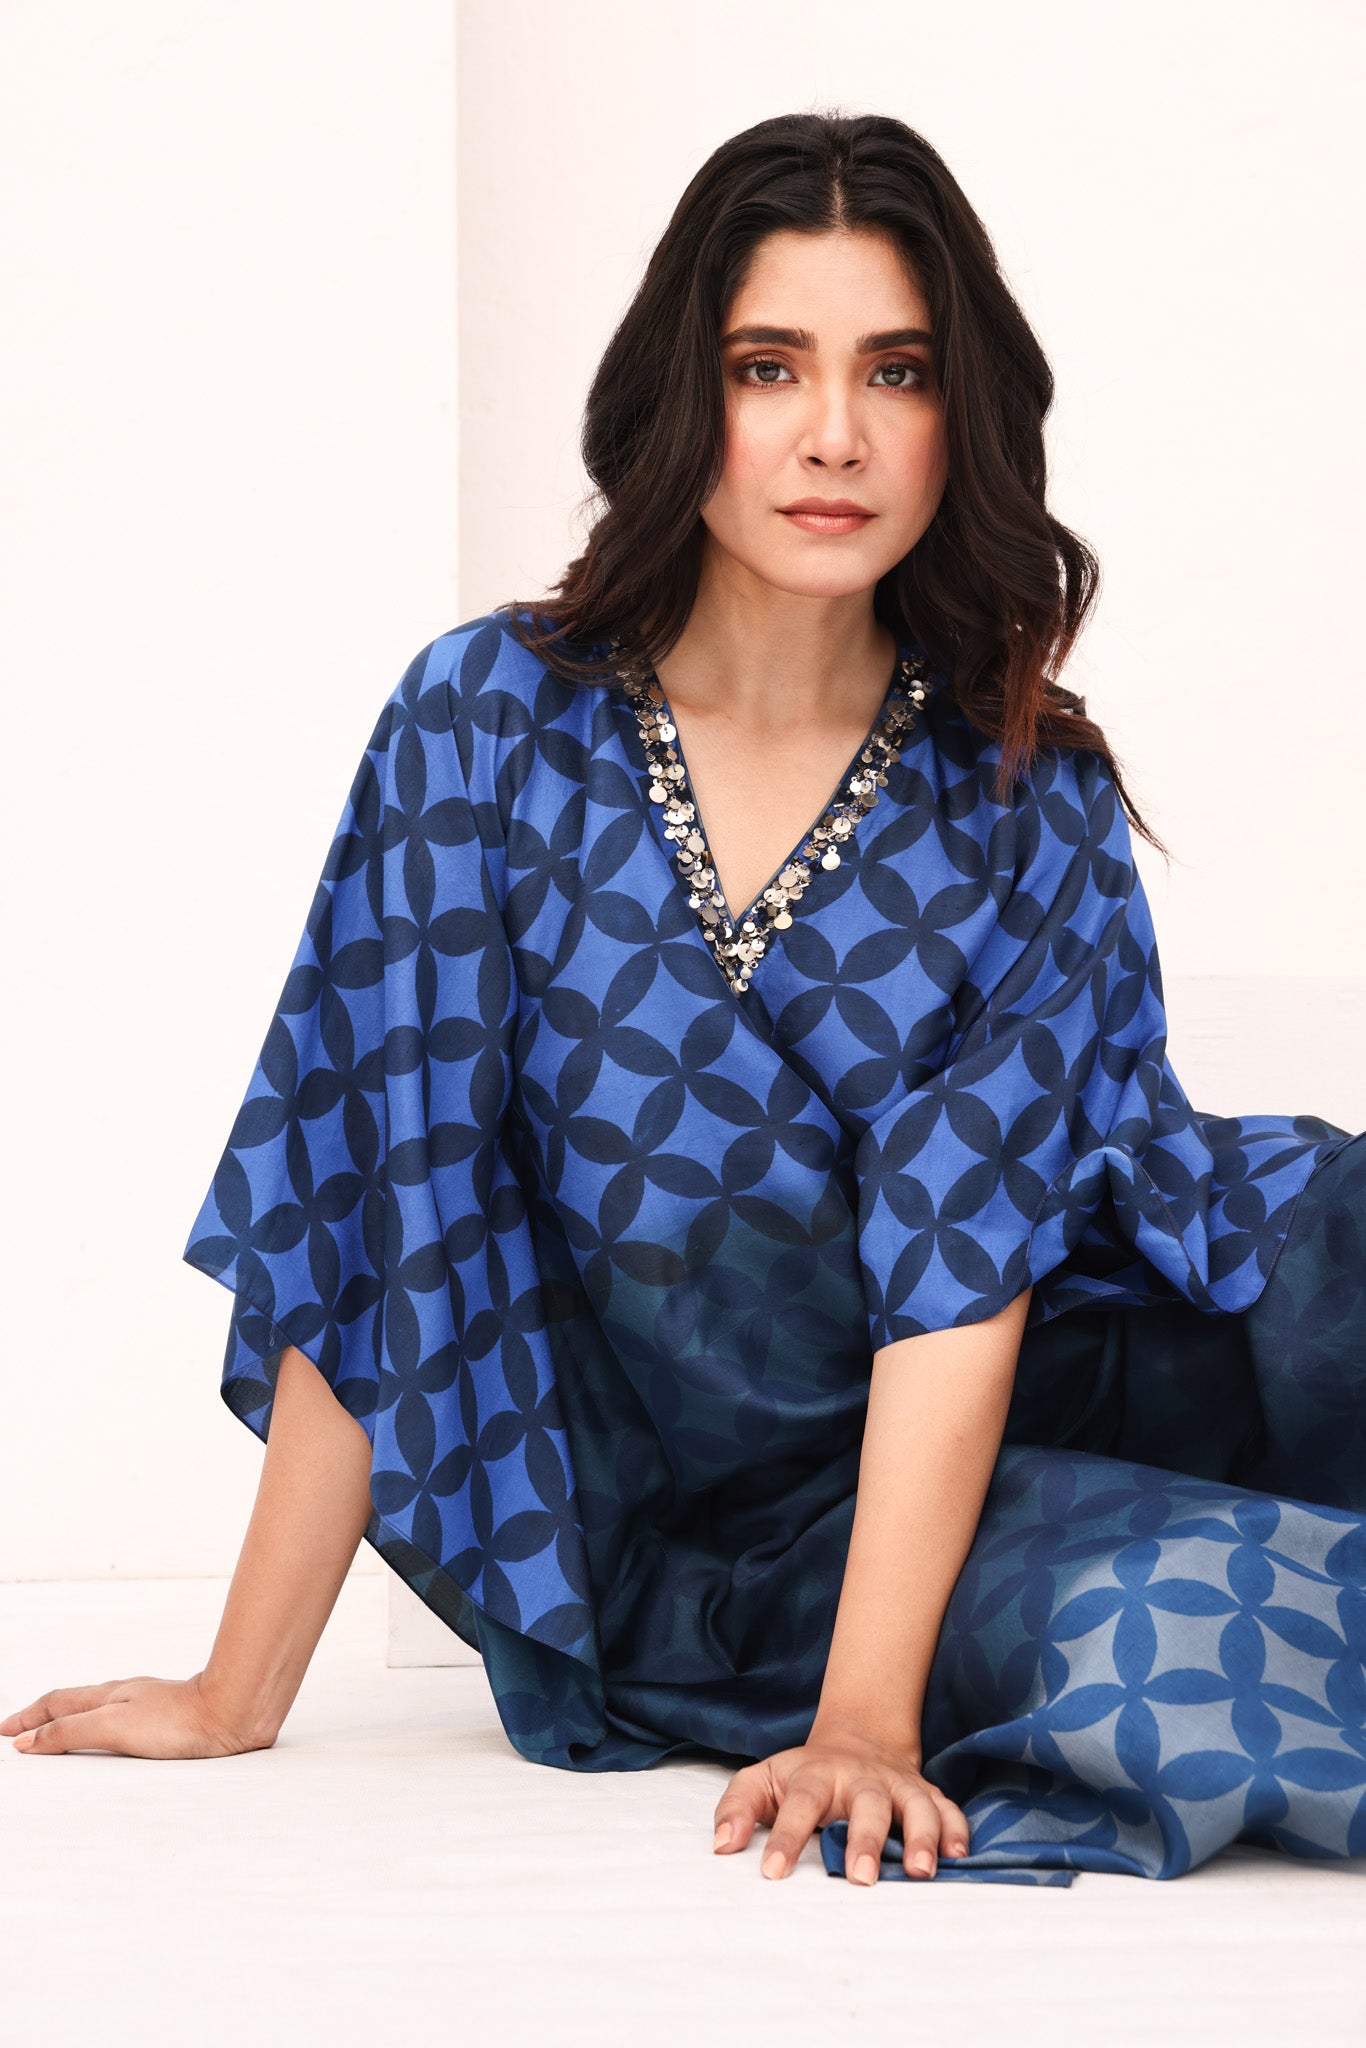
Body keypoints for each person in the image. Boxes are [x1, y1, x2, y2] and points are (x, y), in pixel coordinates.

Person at [6, 111, 1364, 1890]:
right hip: (770, 1541)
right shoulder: (487, 724)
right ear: (680, 400)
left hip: (1091, 1340)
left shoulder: (1022, 794)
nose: (833, 433)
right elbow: (383, 1198)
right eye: (766, 367)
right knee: (1202, 1629)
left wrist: (865, 1728)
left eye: (895, 372)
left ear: (961, 417)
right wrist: (235, 1689)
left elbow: (964, 1267)